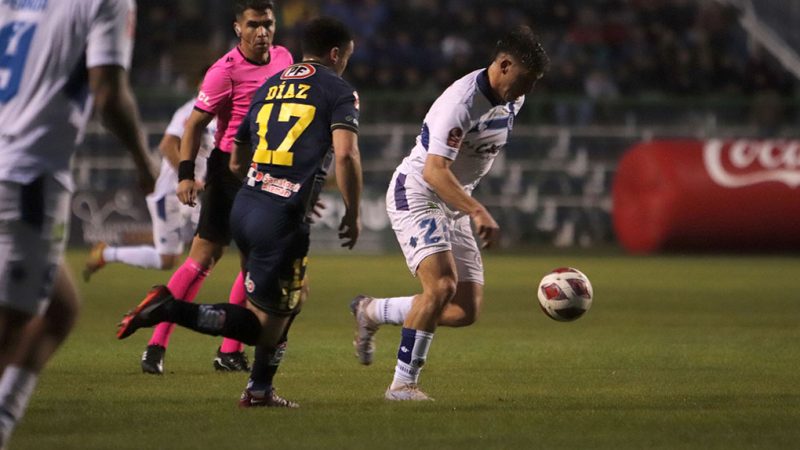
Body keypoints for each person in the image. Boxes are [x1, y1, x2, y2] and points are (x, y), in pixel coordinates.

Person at [116, 16, 362, 408]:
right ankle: (171, 309)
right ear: (336, 54)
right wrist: (351, 211)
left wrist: (263, 181)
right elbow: (346, 155)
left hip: (246, 202)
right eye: (347, 56)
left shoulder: (271, 83)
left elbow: (236, 156)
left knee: (292, 296)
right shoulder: (338, 89)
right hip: (280, 218)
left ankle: (258, 388)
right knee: (263, 326)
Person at [350, 25, 550, 401]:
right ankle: (402, 385)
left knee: (464, 310)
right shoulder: (461, 103)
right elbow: (434, 170)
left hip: (455, 201)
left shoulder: (513, 97)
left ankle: (371, 310)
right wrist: (478, 211)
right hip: (419, 192)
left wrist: (467, 206)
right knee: (441, 287)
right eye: (525, 80)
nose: (527, 90)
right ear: (504, 65)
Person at [0, 0, 156, 446]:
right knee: (11, 328)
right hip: (26, 176)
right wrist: (144, 163)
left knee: (60, 310)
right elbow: (108, 95)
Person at [132, 0, 294, 375]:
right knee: (203, 260)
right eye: (253, 24)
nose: (262, 32)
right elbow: (192, 126)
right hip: (229, 173)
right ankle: (157, 344)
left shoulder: (284, 58)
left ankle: (228, 351)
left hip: (268, 169)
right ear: (238, 28)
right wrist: (186, 175)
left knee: (253, 263)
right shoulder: (224, 71)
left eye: (268, 23)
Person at [82, 98, 216, 279]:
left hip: (190, 197)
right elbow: (167, 146)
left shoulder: (218, 114)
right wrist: (188, 178)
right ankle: (106, 253)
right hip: (171, 195)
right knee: (167, 259)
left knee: (210, 239)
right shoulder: (192, 109)